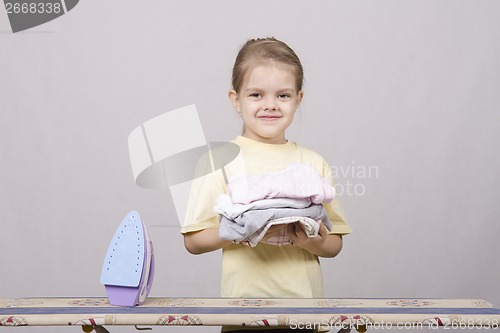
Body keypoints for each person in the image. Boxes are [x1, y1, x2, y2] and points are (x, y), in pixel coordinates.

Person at [181, 37, 352, 332]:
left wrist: (315, 242)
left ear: (299, 99)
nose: (270, 105)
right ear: (236, 99)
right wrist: (240, 229)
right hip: (243, 316)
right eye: (256, 95)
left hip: (306, 314)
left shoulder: (313, 163)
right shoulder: (218, 161)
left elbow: (335, 242)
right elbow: (193, 241)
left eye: (283, 95)